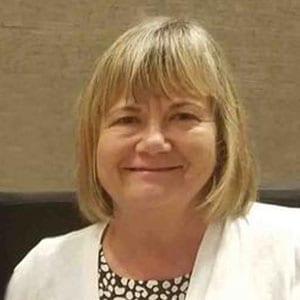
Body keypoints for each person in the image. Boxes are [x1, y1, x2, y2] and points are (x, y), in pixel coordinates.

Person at [5, 16, 300, 300]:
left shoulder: (291, 249)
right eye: (127, 119)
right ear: (94, 140)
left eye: (183, 116)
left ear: (223, 136)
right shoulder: (41, 274)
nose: (154, 142)